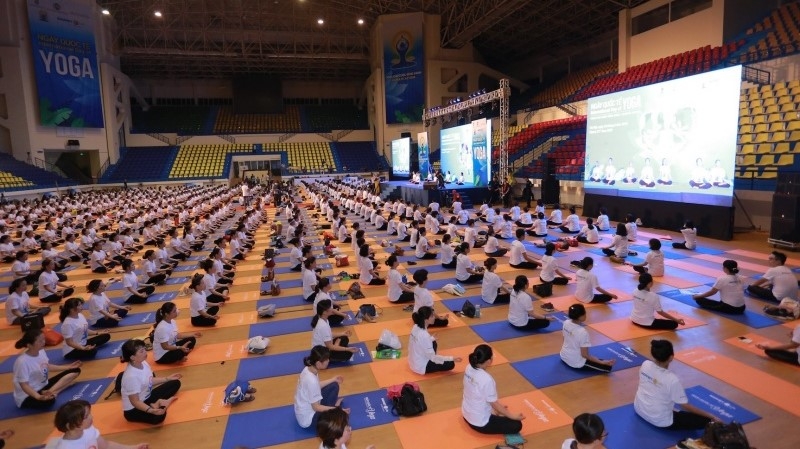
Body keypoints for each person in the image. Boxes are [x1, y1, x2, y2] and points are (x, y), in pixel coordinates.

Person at [634, 339, 718, 430]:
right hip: (660, 421)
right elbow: (685, 406)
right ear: (671, 357)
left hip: (639, 409)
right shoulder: (671, 379)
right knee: (704, 420)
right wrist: (711, 416)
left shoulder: (645, 364)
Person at [462, 344, 524, 435]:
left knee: (497, 408)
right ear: (488, 361)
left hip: (466, 414)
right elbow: (494, 404)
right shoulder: (487, 379)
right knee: (517, 425)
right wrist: (512, 416)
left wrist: (498, 408)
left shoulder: (468, 367)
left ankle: (493, 412)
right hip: (480, 423)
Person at [13, 328, 82, 409]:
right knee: (49, 401)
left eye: (43, 339)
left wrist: (68, 367)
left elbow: (47, 366)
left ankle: (50, 391)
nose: (43, 342)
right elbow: (24, 386)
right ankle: (55, 391)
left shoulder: (41, 351)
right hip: (27, 395)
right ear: (29, 345)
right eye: (40, 341)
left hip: (43, 386)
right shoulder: (22, 362)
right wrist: (38, 396)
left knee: (75, 370)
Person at [120, 338, 181, 424]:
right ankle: (161, 403)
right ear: (132, 357)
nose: (145, 352)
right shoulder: (131, 377)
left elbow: (150, 380)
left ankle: (158, 403)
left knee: (175, 383)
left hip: (147, 396)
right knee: (158, 417)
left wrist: (167, 378)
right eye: (141, 351)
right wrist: (150, 410)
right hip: (133, 409)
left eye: (144, 349)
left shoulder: (143, 363)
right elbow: (135, 402)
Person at [52, 399, 149, 449]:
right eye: (86, 416)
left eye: (89, 413)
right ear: (70, 426)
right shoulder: (67, 447)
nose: (91, 417)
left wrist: (133, 447)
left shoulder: (88, 429)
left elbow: (106, 446)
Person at [294, 346, 345, 429]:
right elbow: (316, 407)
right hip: (308, 420)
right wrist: (337, 411)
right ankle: (334, 410)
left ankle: (333, 408)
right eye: (326, 360)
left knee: (334, 385)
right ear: (318, 363)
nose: (328, 361)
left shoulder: (308, 369)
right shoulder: (311, 380)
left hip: (303, 409)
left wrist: (333, 379)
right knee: (337, 415)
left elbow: (317, 386)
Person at [560, 304, 615, 372]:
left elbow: (565, 340)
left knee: (597, 360)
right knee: (608, 367)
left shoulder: (566, 322)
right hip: (575, 362)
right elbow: (584, 355)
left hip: (563, 355)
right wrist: (602, 362)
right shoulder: (582, 332)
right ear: (580, 317)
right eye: (585, 313)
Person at [409, 306, 461, 374]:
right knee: (451, 364)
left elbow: (419, 342)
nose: (434, 317)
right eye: (432, 316)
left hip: (413, 361)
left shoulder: (415, 326)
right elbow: (433, 358)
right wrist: (451, 358)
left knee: (433, 342)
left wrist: (431, 339)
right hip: (421, 367)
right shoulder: (424, 335)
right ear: (426, 320)